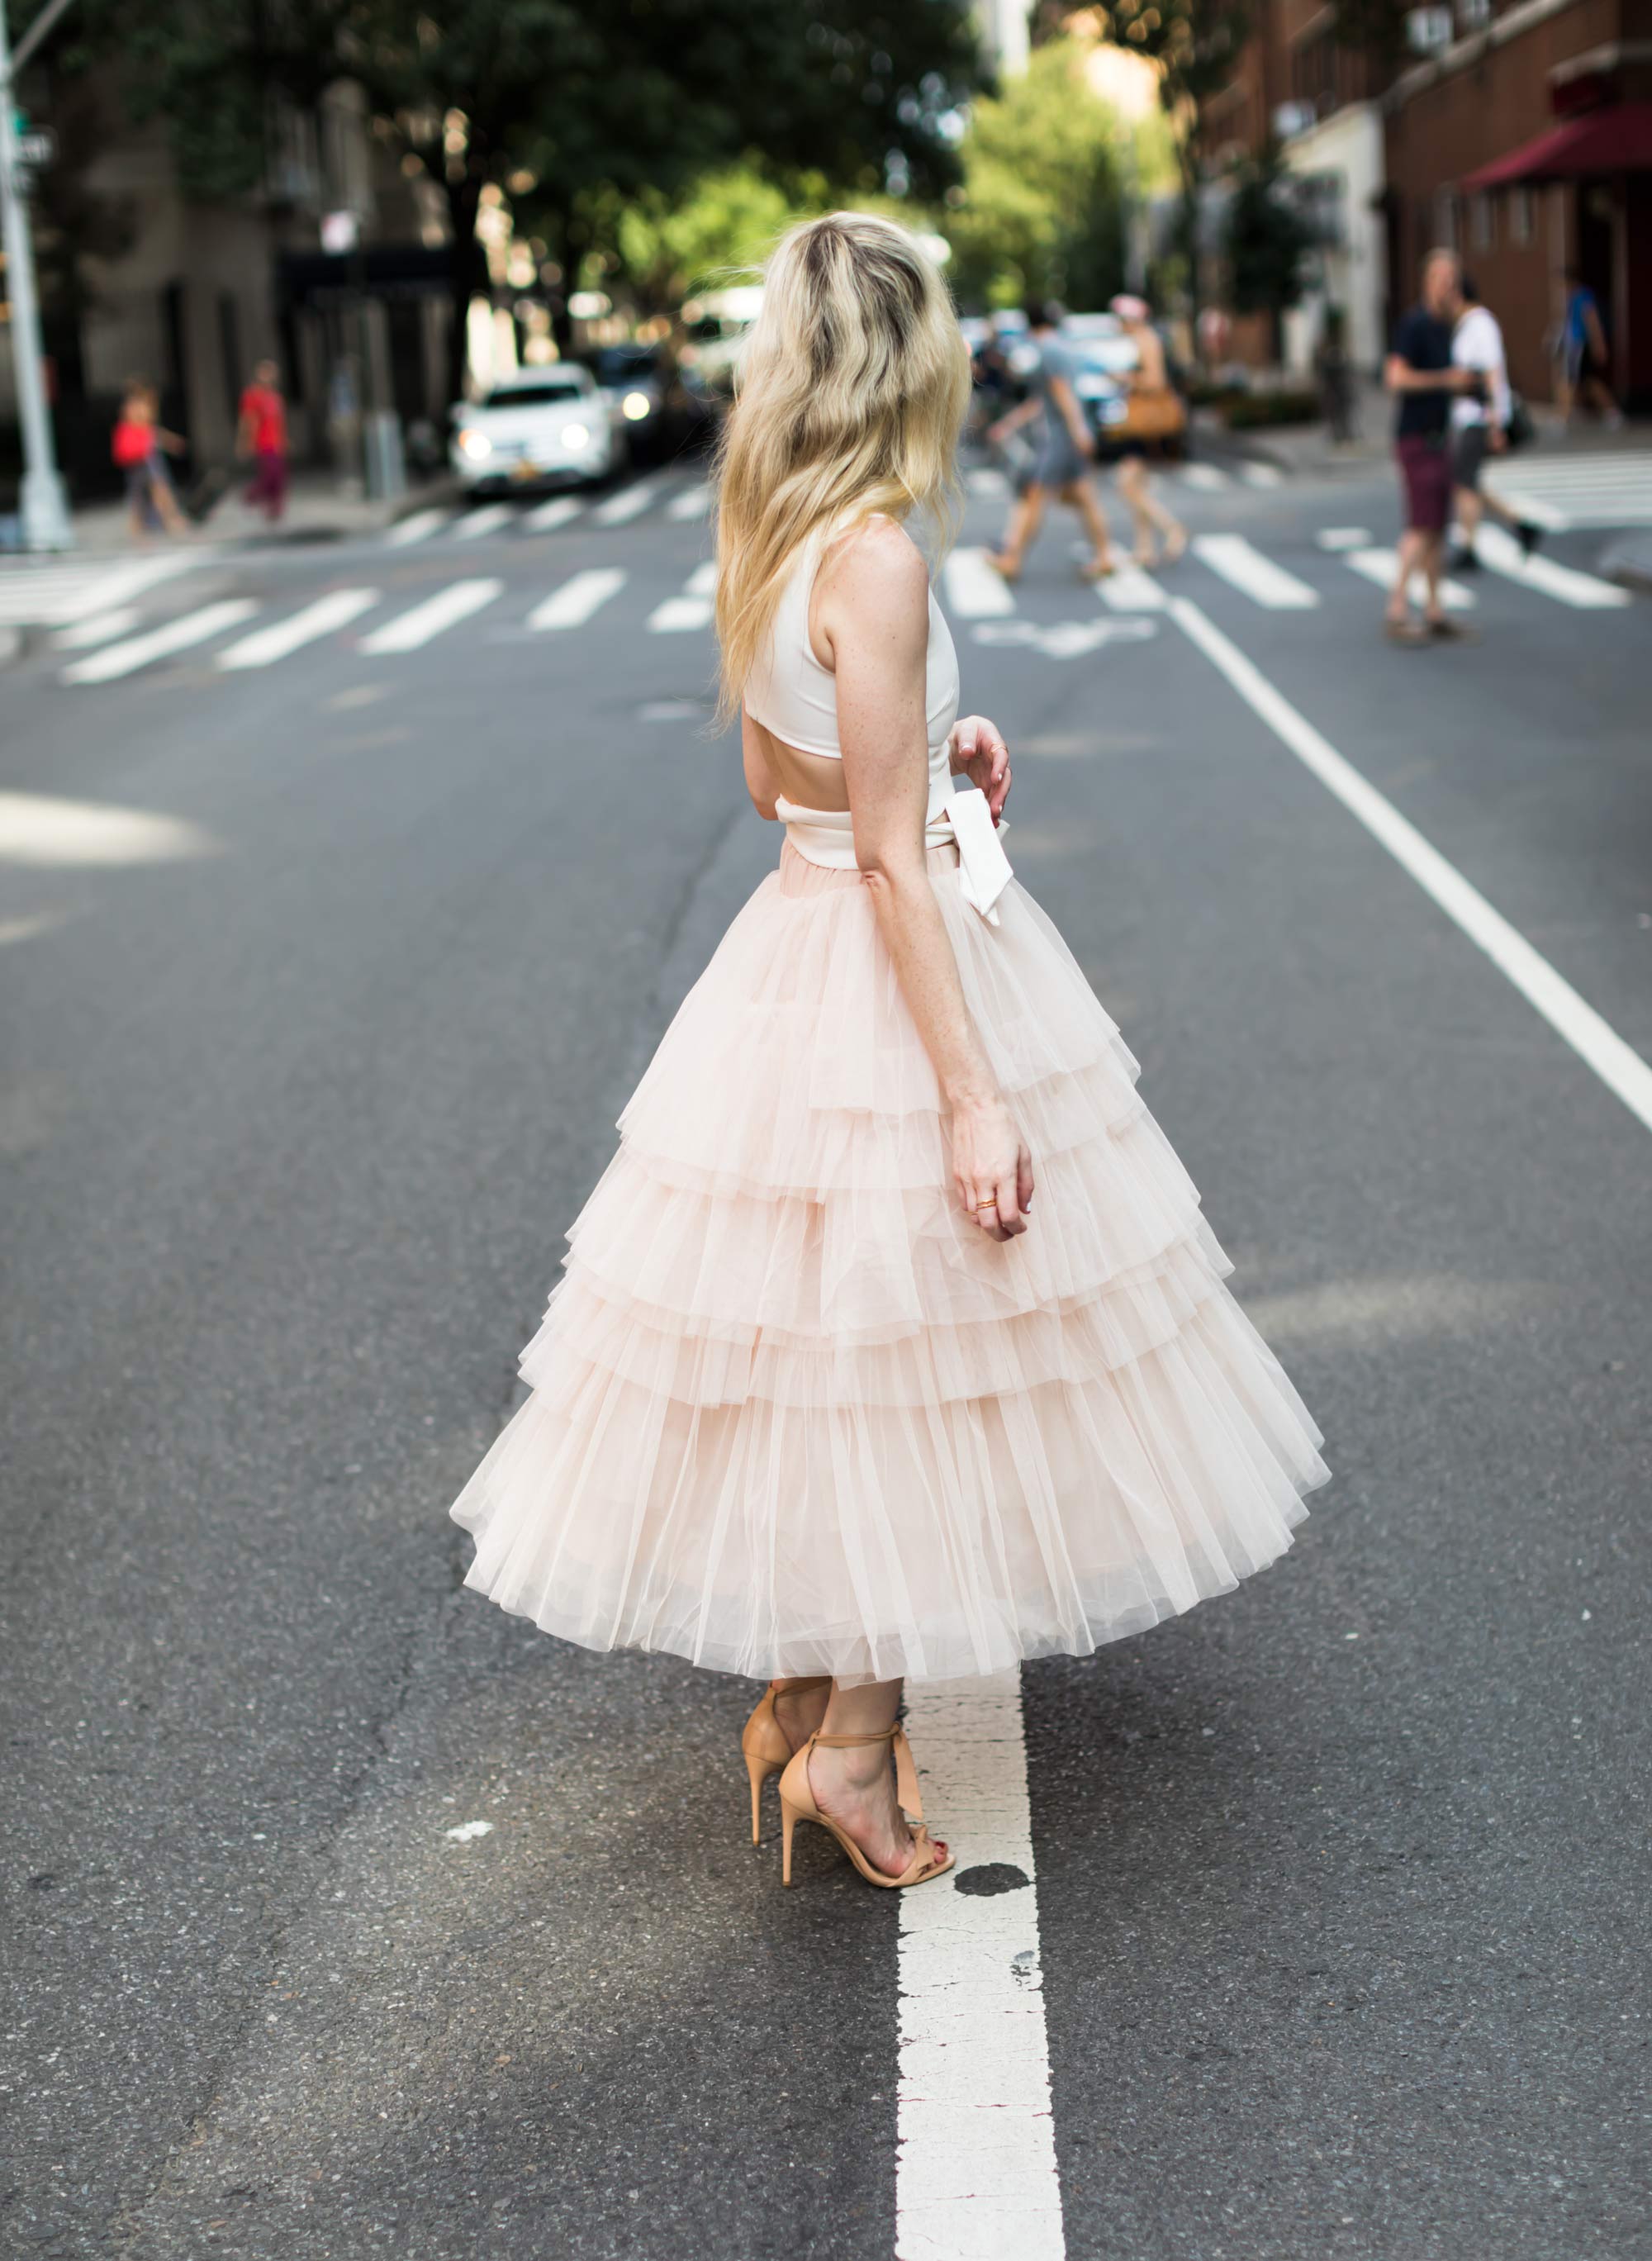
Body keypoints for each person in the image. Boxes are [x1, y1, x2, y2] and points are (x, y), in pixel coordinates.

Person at [449, 213, 1327, 1891]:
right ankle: (851, 1747)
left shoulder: (771, 531)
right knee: (924, 1333)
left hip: (790, 949)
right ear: (907, 358)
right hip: (881, 961)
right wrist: (972, 1089)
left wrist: (936, 749)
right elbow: (888, 858)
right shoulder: (877, 554)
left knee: (830, 1344)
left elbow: (791, 796)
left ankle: (806, 1691)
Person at [1383, 248, 1483, 647]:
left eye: (1453, 279)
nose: (1448, 286)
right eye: (1442, 278)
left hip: (1441, 437)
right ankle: (1397, 607)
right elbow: (1395, 378)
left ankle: (1435, 608)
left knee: (1438, 527)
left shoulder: (1448, 326)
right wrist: (1446, 380)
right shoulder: (1415, 325)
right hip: (1416, 437)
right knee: (1422, 526)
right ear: (1427, 281)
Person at [985, 301, 1117, 582]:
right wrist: (1010, 423)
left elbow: (1061, 393)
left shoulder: (1049, 350)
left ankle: (1013, 559)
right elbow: (1042, 400)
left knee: (1036, 495)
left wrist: (1079, 431)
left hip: (1061, 437)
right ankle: (1105, 555)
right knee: (1084, 497)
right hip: (1067, 434)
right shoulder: (1060, 346)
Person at [1448, 274, 1542, 572]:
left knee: (1464, 481)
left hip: (1479, 417)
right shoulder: (1470, 325)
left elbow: (1492, 374)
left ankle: (1469, 546)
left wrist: (1495, 422)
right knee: (1467, 480)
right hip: (1470, 416)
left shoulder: (1480, 325)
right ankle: (1521, 525)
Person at [1109, 293, 1187, 569]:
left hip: (1146, 422)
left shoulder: (1145, 340)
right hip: (1141, 420)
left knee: (1126, 486)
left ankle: (1172, 528)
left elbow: (1155, 381)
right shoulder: (1144, 339)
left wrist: (1124, 378)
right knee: (1136, 484)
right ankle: (1145, 549)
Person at [111, 379, 188, 543]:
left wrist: (170, 442)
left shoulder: (130, 408)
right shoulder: (136, 408)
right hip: (144, 456)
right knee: (158, 489)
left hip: (142, 456)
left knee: (142, 492)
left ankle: (142, 525)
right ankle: (168, 520)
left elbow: (150, 430)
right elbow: (148, 430)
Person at [1557, 269, 1623, 429]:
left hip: (1581, 346)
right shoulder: (1573, 298)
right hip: (1576, 345)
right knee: (1587, 382)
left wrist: (1598, 344)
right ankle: (1610, 411)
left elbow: (1592, 321)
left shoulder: (1583, 296)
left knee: (1572, 380)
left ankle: (1563, 417)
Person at [238, 359, 290, 523]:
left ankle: (274, 510)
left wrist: (284, 440)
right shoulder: (253, 395)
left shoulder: (275, 397)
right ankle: (250, 497)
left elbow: (280, 422)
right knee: (268, 476)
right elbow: (248, 421)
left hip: (276, 443)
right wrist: (245, 442)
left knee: (280, 478)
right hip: (262, 443)